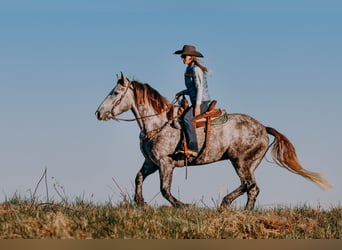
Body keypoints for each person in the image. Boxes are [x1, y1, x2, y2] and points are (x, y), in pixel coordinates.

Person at [174, 45, 211, 157]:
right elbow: (192, 89)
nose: (183, 58)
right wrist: (182, 92)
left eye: (185, 56)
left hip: (203, 102)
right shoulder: (188, 69)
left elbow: (200, 88)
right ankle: (182, 144)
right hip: (196, 101)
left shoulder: (196, 69)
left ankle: (193, 147)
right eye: (182, 56)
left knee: (186, 118)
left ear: (191, 57)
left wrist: (198, 106)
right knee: (180, 118)